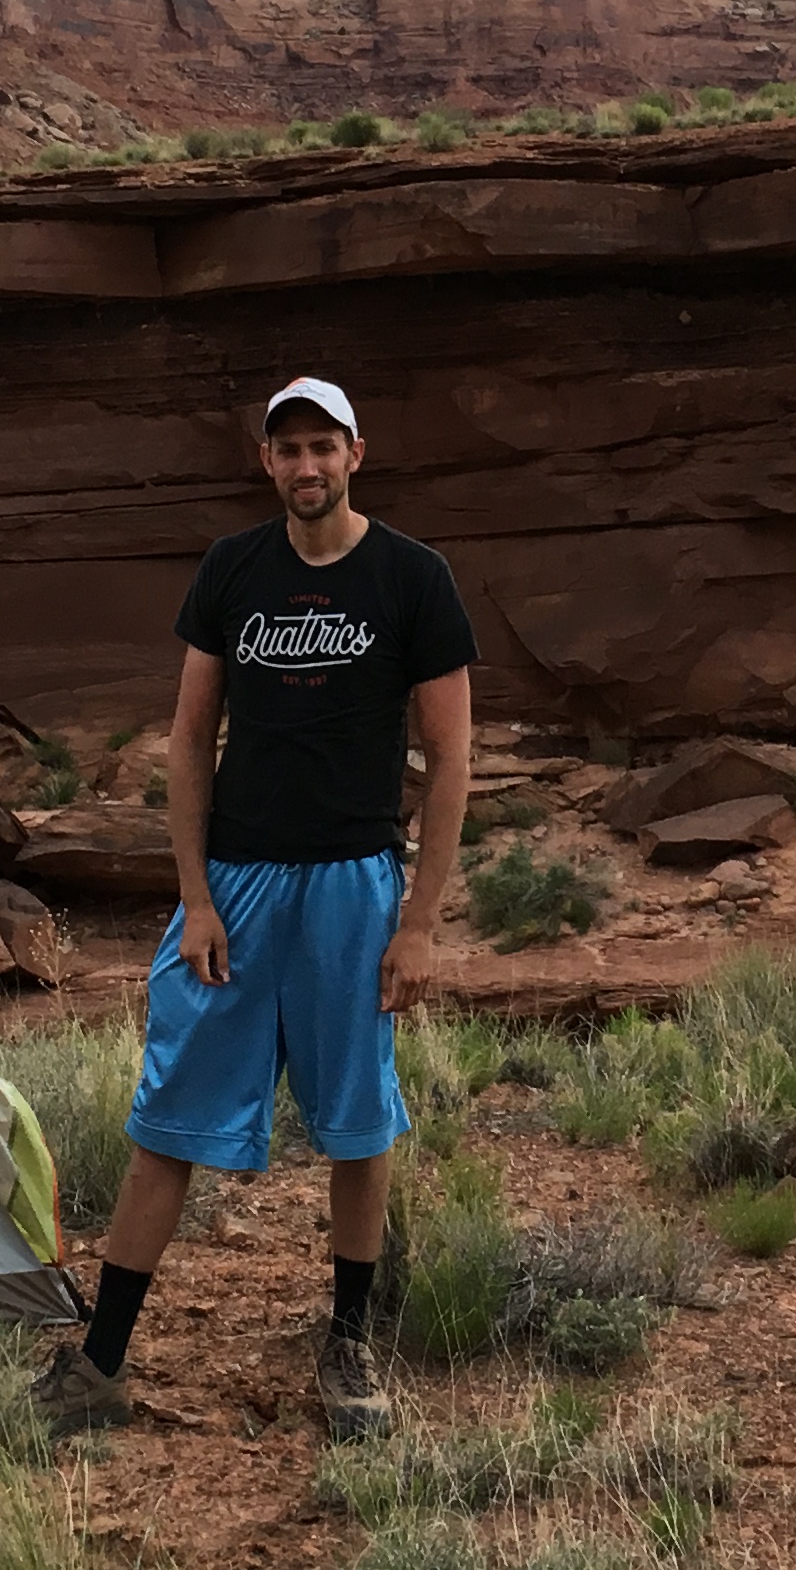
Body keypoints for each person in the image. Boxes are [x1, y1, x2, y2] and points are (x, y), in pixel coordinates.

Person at [33, 374, 475, 1441]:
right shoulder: (233, 569)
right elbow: (191, 738)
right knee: (168, 1116)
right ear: (266, 462)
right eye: (289, 449)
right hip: (236, 883)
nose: (307, 465)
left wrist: (418, 921)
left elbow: (451, 755)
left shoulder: (413, 577)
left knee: (358, 1124)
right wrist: (194, 897)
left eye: (324, 445)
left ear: (357, 453)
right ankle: (101, 1364)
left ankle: (349, 1345)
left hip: (353, 884)